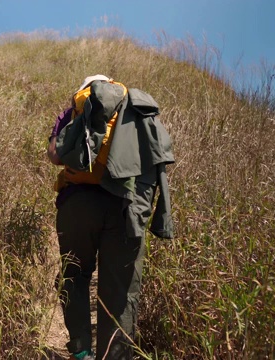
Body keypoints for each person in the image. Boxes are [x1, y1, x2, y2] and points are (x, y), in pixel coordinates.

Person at [48, 75, 175, 360]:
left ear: (84, 90)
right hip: (124, 205)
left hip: (77, 204)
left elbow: (56, 156)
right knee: (120, 288)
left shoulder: (75, 110)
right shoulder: (135, 112)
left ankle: (81, 351)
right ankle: (114, 356)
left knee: (75, 275)